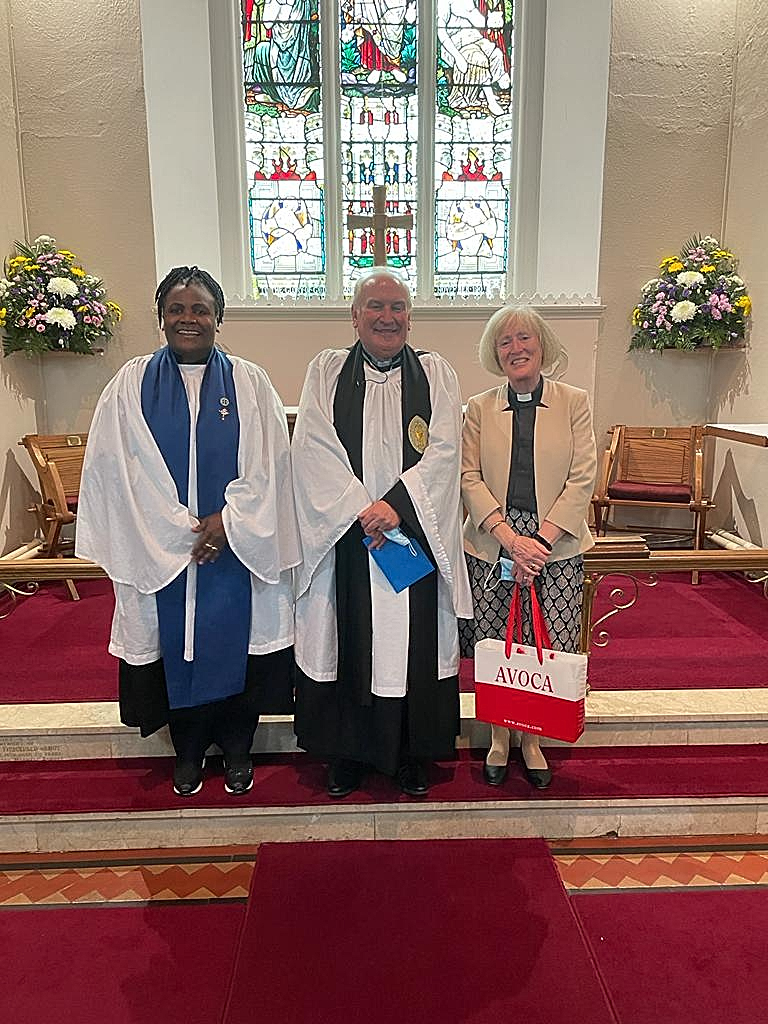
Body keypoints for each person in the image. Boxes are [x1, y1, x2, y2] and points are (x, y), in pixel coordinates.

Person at [76, 267, 300, 797]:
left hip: (236, 548)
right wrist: (180, 531)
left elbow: (272, 465)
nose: (188, 319)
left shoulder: (249, 381)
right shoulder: (130, 383)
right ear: (161, 318)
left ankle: (239, 748)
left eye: (199, 309)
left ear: (218, 317)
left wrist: (228, 522)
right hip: (163, 551)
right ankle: (190, 749)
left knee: (239, 645)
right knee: (177, 644)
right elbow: (118, 468)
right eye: (177, 309)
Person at [291, 268, 472, 798]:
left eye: (397, 308)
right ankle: (347, 754)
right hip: (347, 537)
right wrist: (361, 509)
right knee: (346, 641)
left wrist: (395, 508)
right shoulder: (325, 371)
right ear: (354, 315)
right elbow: (313, 448)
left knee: (410, 647)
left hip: (410, 534)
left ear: (410, 319)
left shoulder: (436, 375)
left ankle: (410, 755)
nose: (386, 317)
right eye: (375, 307)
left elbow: (445, 450)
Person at [460, 305, 596, 788]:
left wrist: (539, 540)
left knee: (543, 642)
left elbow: (582, 478)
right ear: (495, 352)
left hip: (554, 545)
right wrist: (509, 538)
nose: (516, 349)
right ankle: (499, 738)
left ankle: (533, 739)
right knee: (497, 643)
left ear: (542, 346)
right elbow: (468, 476)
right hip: (495, 540)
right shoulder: (477, 407)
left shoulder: (573, 401)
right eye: (505, 342)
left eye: (524, 339)